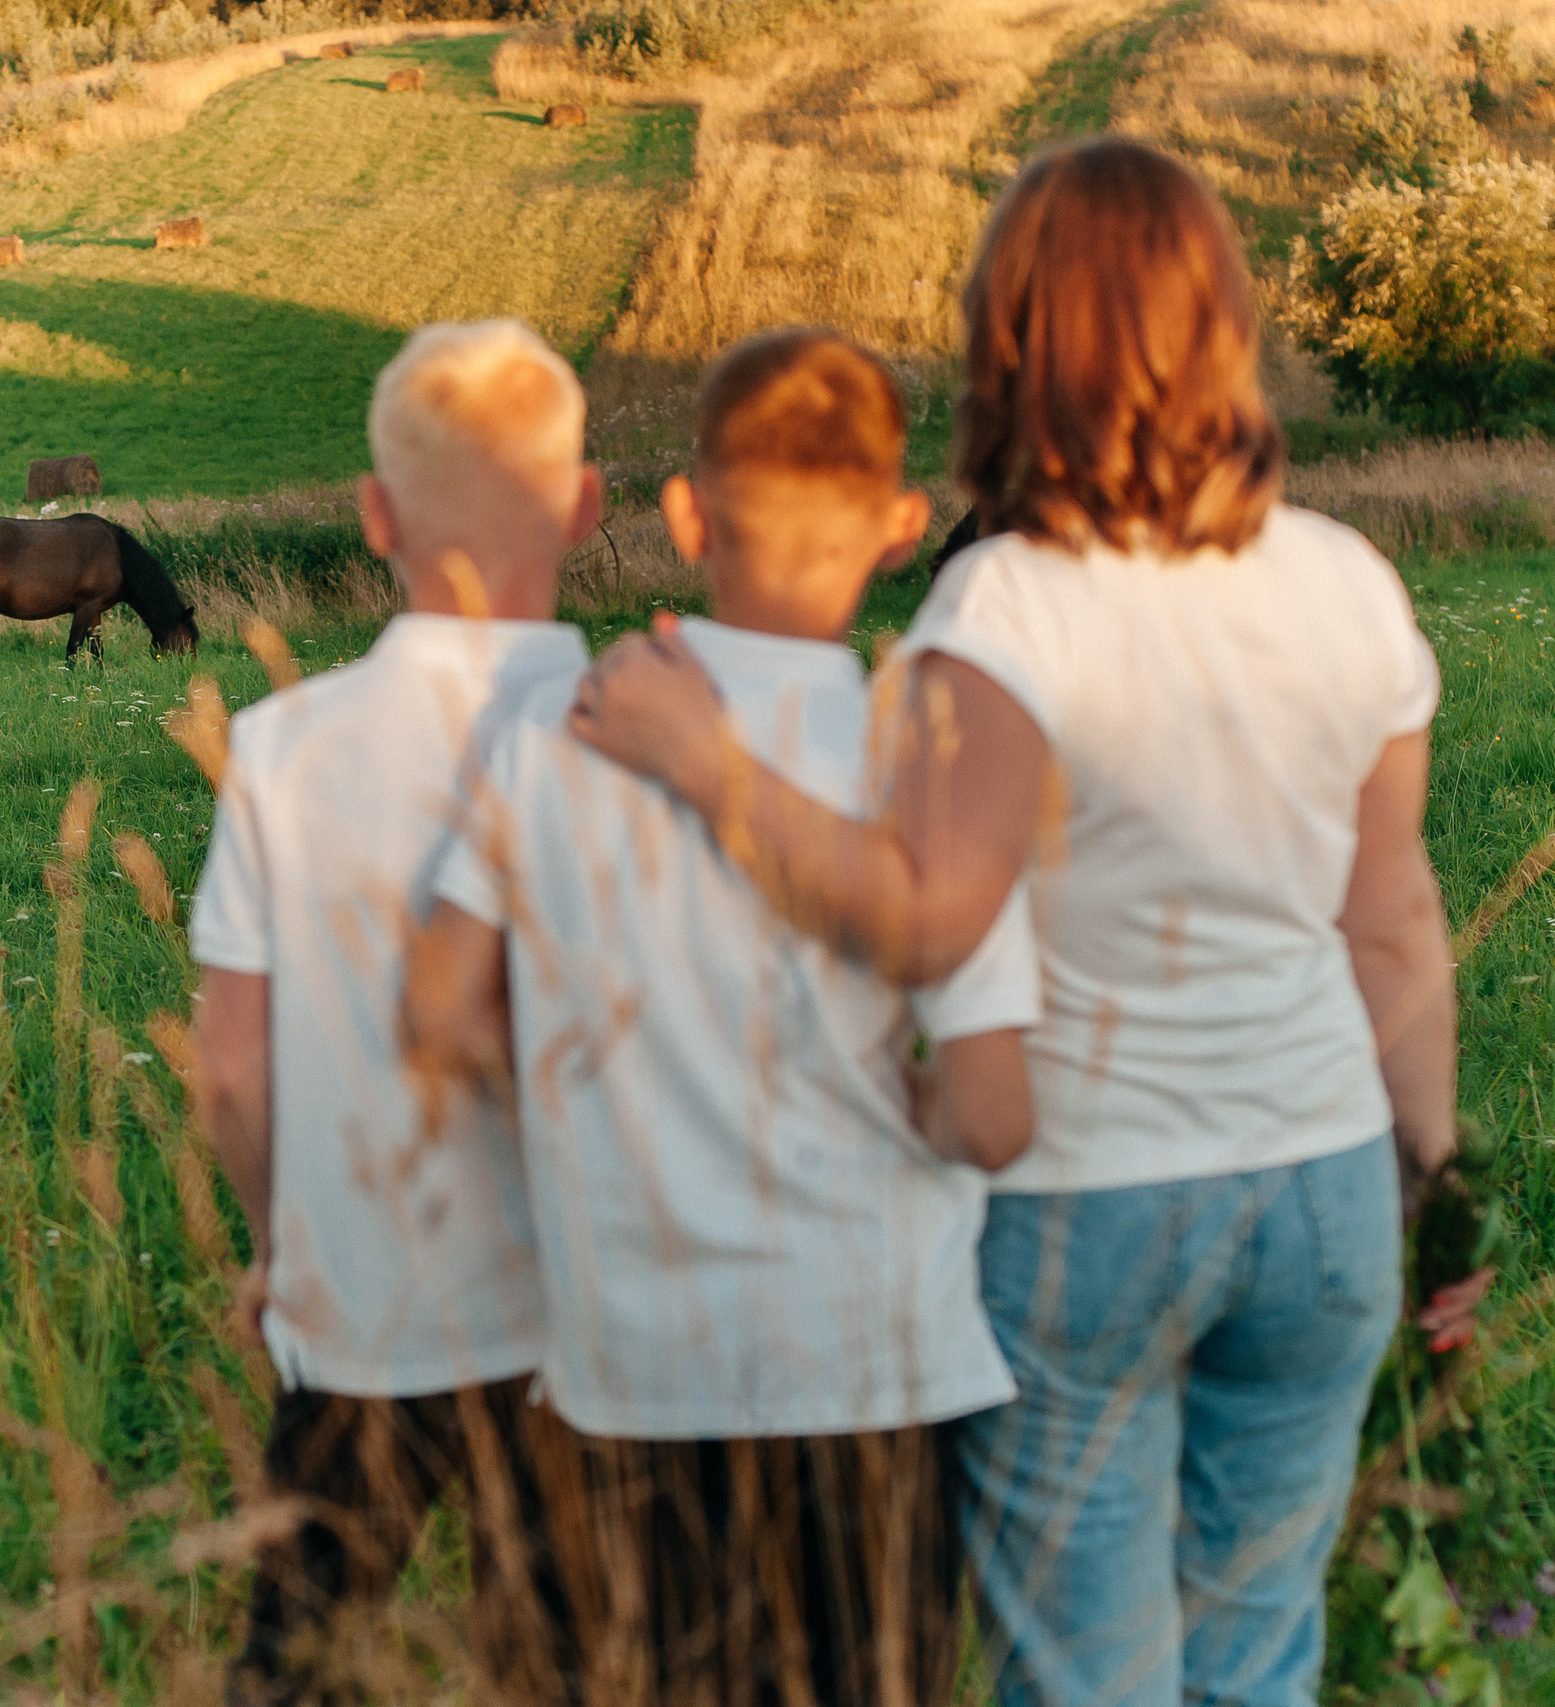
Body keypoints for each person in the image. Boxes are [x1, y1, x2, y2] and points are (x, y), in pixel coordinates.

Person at [568, 137, 1478, 1706]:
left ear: (1012, 344)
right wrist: (1430, 1169)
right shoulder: (1349, 581)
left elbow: (926, 925)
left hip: (1097, 1203)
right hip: (1325, 1178)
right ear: (1223, 326)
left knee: (1084, 1677)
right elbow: (1392, 918)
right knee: (1260, 1655)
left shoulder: (1006, 612)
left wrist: (708, 762)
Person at [405, 327, 1041, 1706]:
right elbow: (993, 1114)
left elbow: (443, 1011)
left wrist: (592, 1106)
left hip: (623, 1366)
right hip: (877, 1368)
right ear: (899, 525)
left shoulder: (552, 740)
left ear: (686, 514)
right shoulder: (919, 754)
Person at [188, 317, 604, 1705]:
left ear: (374, 515)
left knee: (295, 1665)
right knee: (568, 1664)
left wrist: (274, 1241)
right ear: (587, 504)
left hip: (355, 1305)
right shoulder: (645, 729)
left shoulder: (283, 747)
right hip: (591, 1328)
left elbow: (233, 1073)